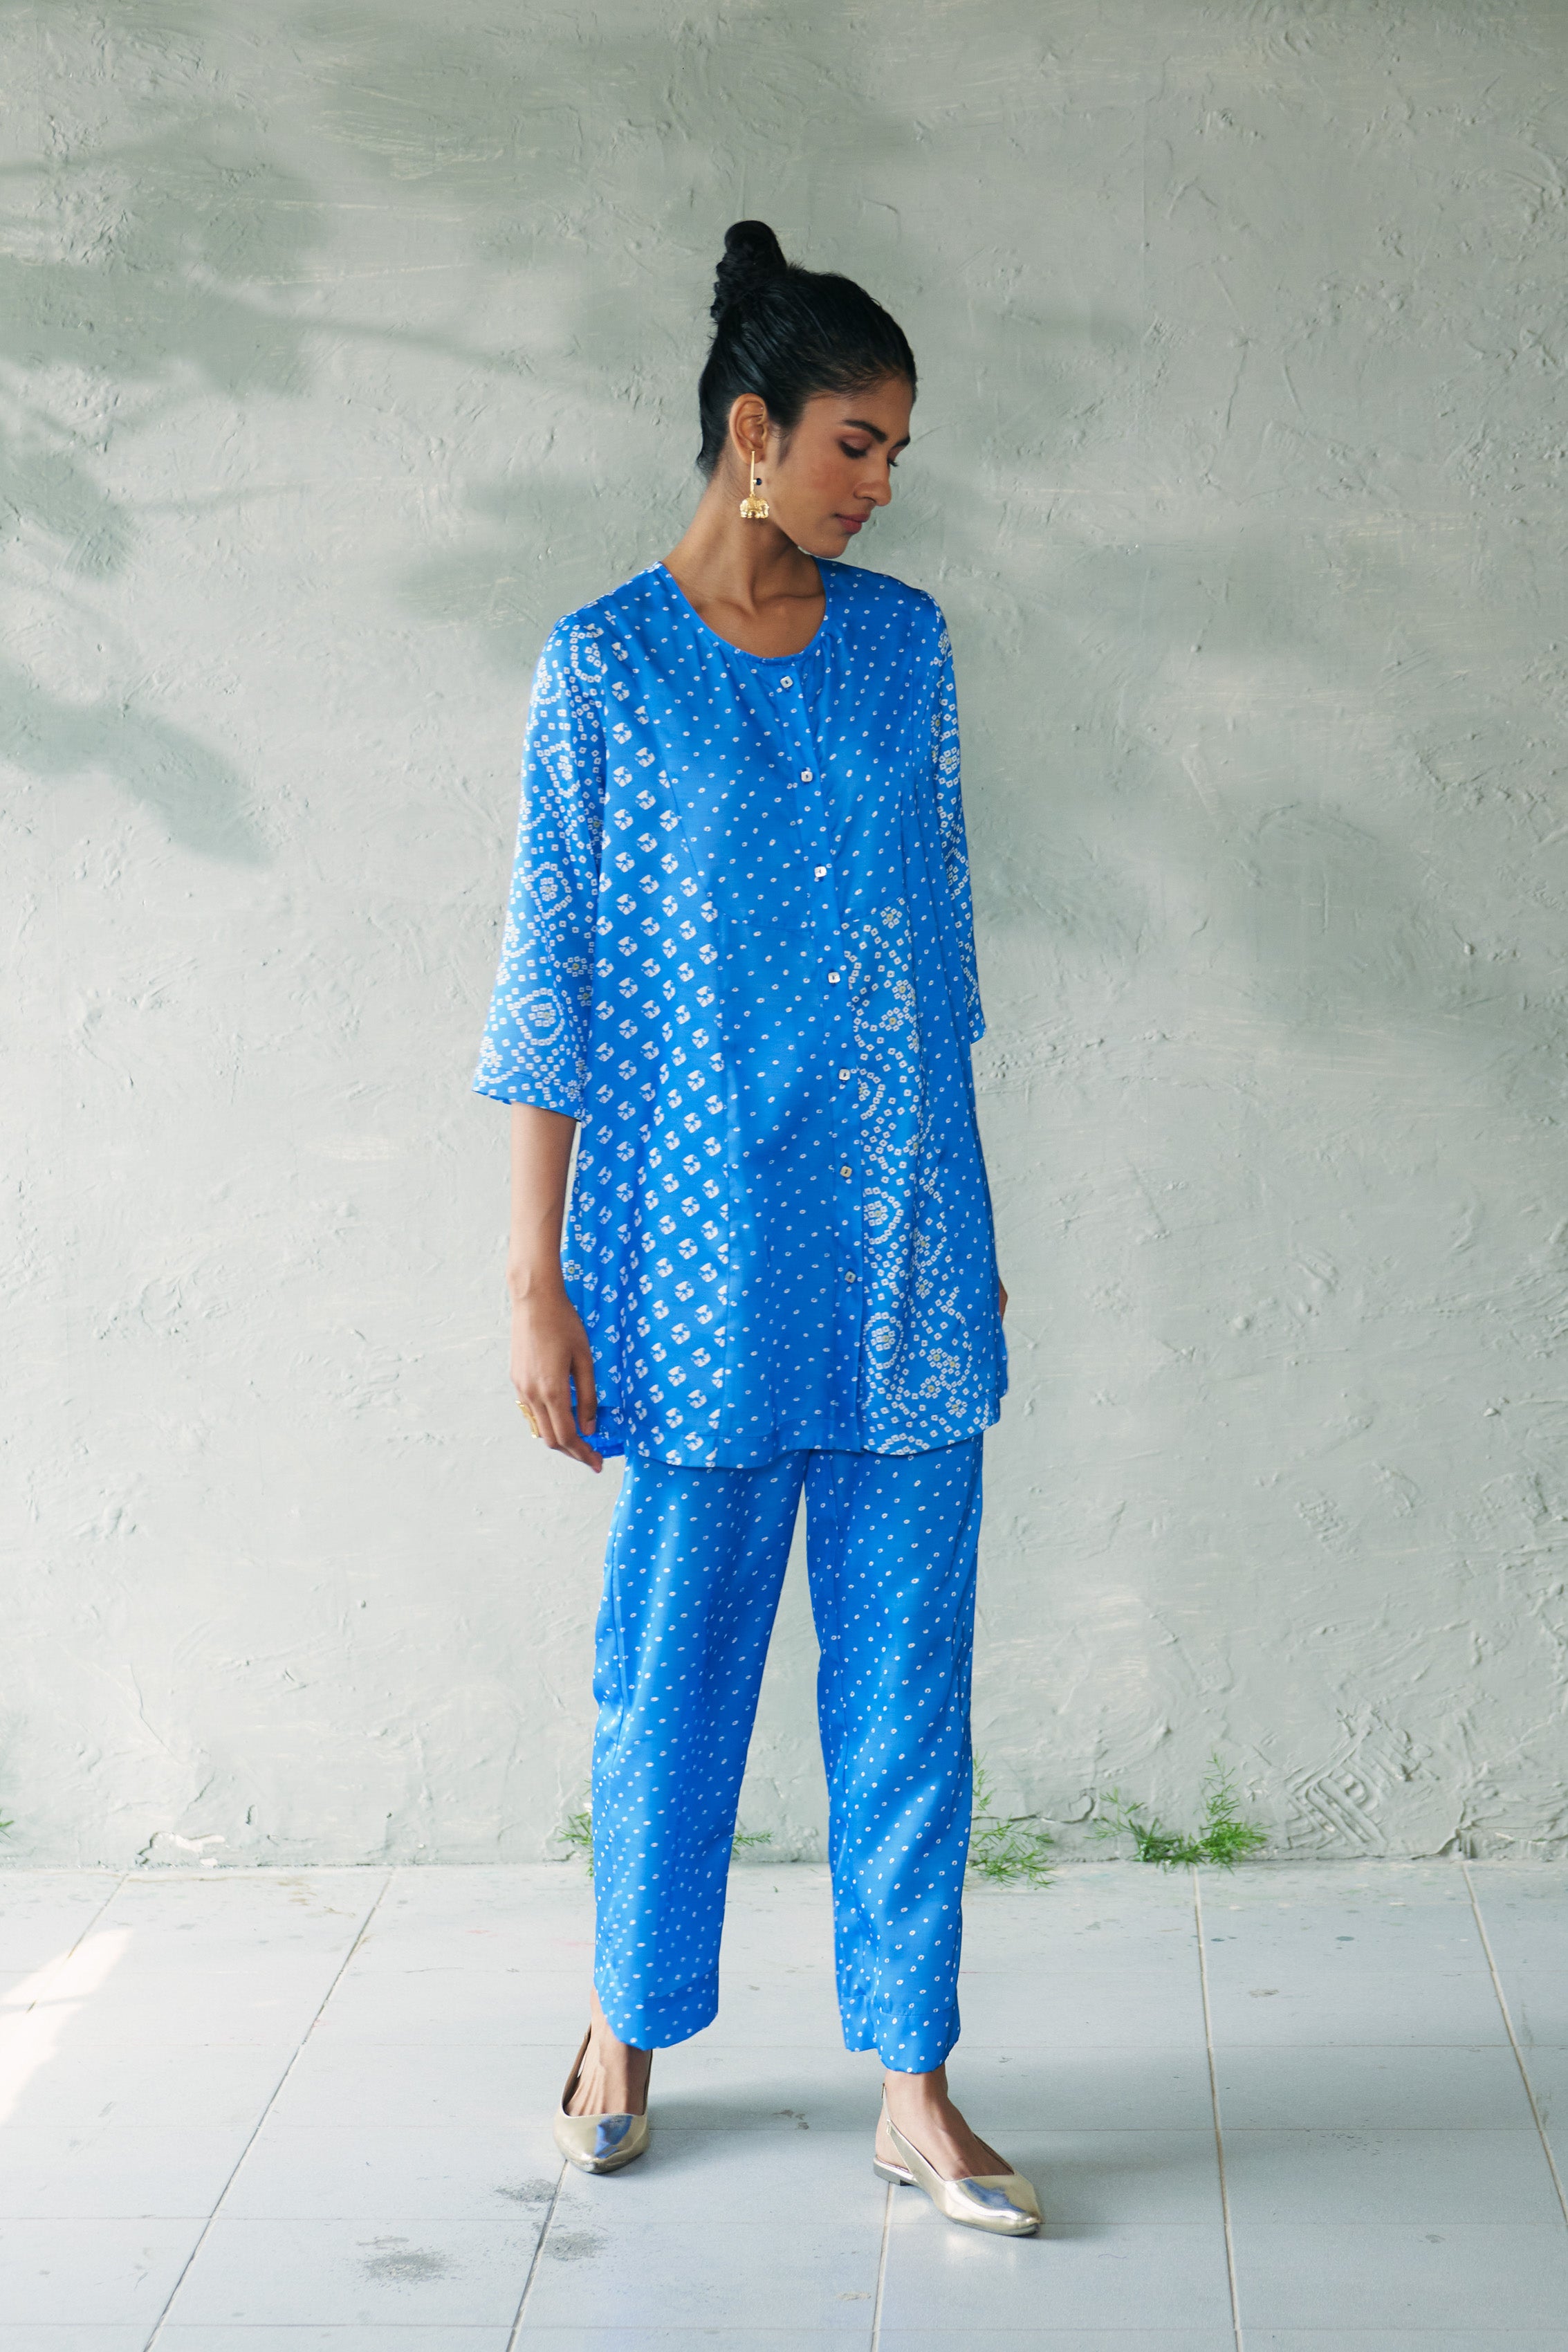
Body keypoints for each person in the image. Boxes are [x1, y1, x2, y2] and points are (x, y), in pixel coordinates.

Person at [472, 220, 1037, 2238]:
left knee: (906, 1681)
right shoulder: (606, 669)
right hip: (696, 1253)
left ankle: (914, 2081)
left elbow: (937, 956)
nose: (882, 484)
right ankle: (626, 2026)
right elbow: (548, 986)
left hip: (897, 1244)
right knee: (674, 1666)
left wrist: (965, 1208)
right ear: (751, 432)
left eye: (895, 451)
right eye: (856, 444)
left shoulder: (904, 650)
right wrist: (536, 1283)